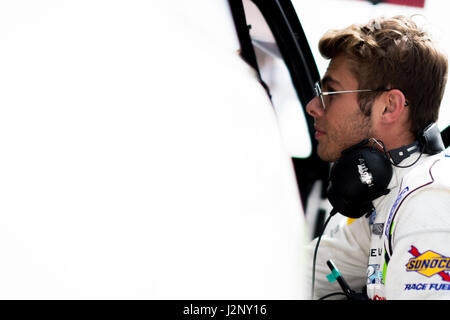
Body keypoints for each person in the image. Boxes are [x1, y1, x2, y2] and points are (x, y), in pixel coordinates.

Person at [305, 15, 450, 300]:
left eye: (331, 93)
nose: (313, 106)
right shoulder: (385, 197)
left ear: (389, 107)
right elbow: (298, 274)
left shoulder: (429, 200)